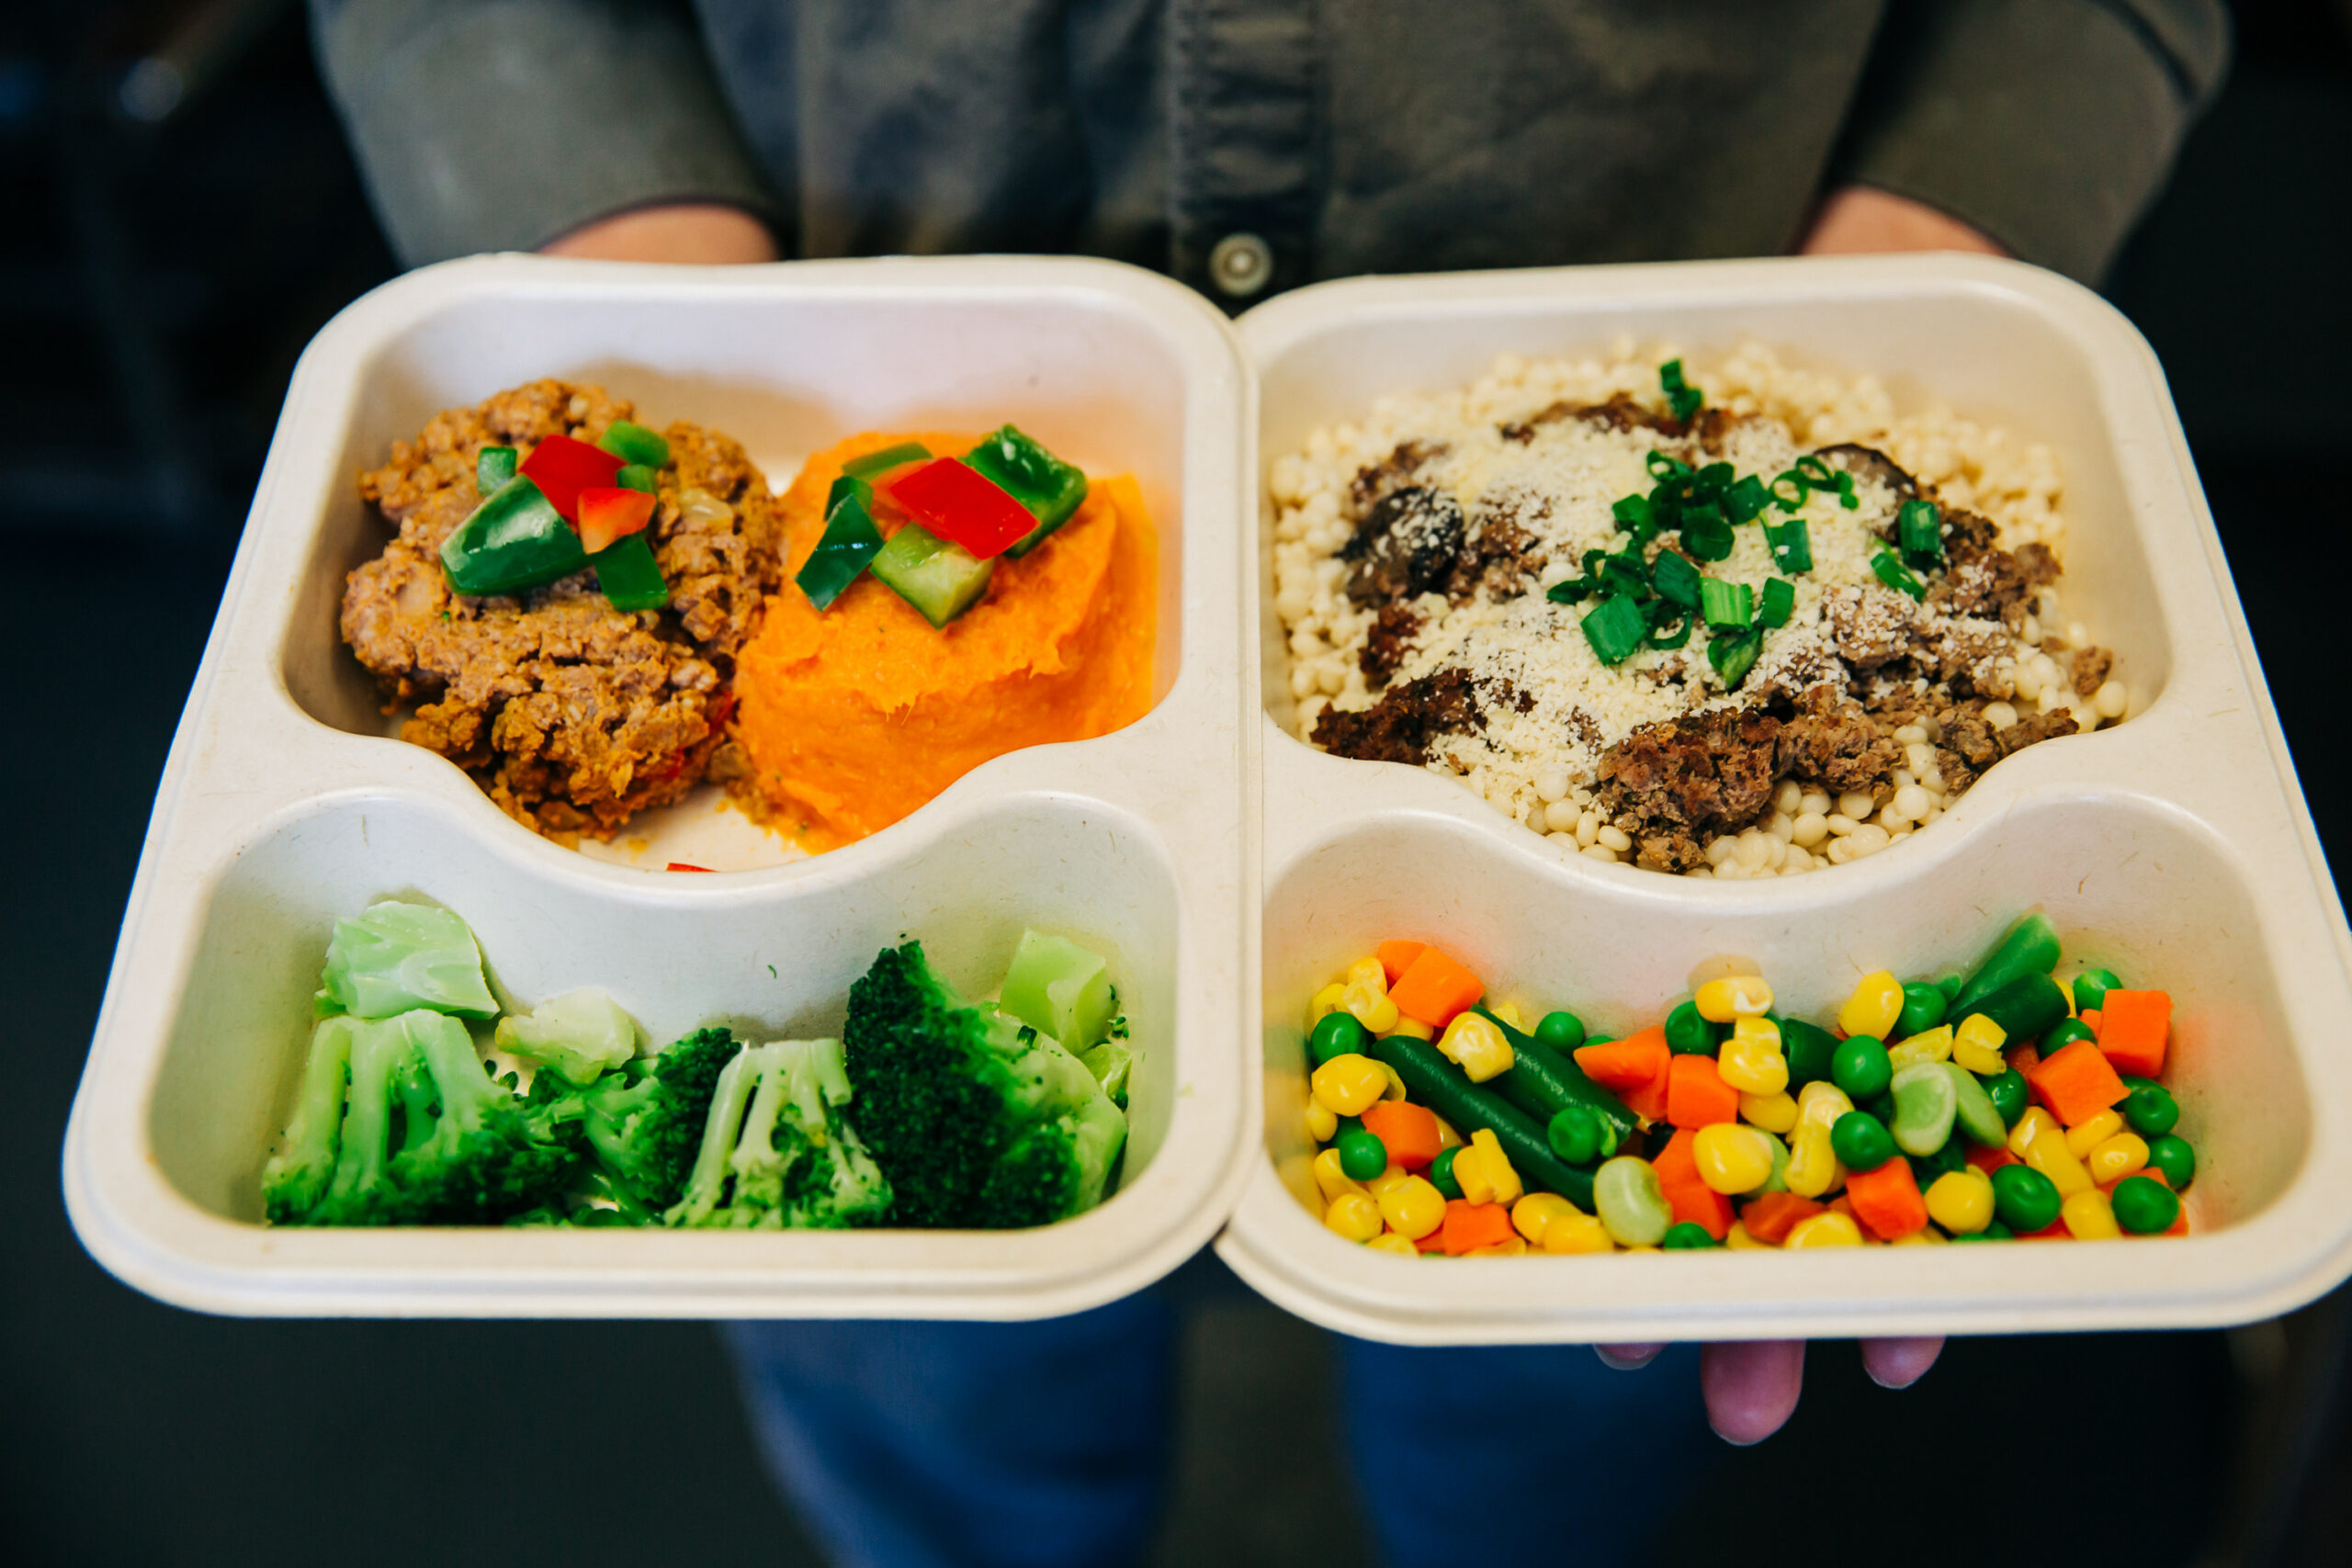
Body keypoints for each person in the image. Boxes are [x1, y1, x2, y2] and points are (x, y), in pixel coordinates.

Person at [305, 5, 2228, 1562]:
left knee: (1539, 1428)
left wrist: (1900, 290)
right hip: (869, 381)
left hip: (1660, 341)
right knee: (946, 1430)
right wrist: (654, 286)